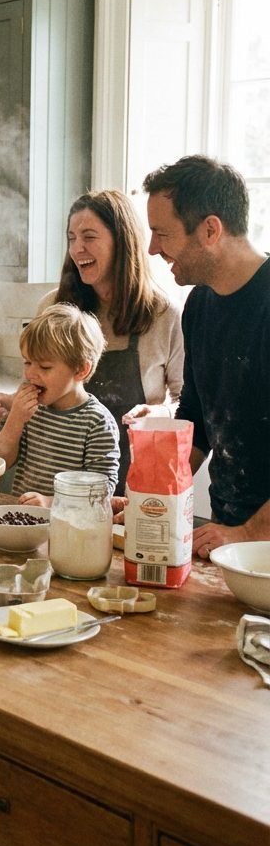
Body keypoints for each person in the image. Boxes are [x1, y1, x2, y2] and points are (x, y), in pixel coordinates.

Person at [0, 189, 184, 492]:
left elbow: (186, 402)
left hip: (135, 486)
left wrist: (161, 412)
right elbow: (38, 381)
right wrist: (11, 404)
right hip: (51, 495)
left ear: (122, 242)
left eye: (89, 237)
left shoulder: (163, 314)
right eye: (71, 238)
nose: (77, 249)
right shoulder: (54, 307)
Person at [144, 154, 270, 558]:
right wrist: (152, 499)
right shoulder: (198, 306)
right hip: (229, 536)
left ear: (211, 230)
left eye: (162, 234)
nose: (151, 248)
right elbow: (196, 419)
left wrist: (249, 532)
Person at [0, 304, 120, 505]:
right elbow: (0, 461)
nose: (30, 373)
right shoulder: (28, 409)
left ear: (81, 370)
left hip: (71, 528)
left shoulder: (96, 422)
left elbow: (102, 492)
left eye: (44, 366)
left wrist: (51, 502)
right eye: (27, 362)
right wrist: (15, 418)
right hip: (25, 522)